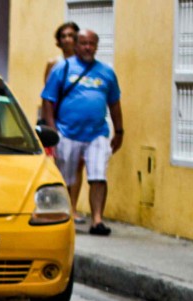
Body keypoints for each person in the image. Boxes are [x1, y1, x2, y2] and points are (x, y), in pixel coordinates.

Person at [41, 29, 123, 236]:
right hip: (67, 132)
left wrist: (119, 130)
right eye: (84, 43)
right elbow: (48, 100)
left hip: (97, 133)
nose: (88, 47)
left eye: (92, 43)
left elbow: (114, 103)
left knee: (98, 176)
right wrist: (53, 130)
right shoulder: (62, 68)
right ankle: (66, 215)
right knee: (67, 178)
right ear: (76, 46)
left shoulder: (106, 72)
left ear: (96, 46)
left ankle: (97, 220)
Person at [43, 21, 85, 221]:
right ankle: (60, 205)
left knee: (77, 165)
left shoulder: (85, 64)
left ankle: (73, 207)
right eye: (64, 36)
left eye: (72, 35)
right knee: (60, 163)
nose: (68, 39)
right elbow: (47, 94)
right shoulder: (54, 63)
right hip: (60, 121)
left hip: (79, 123)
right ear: (58, 41)